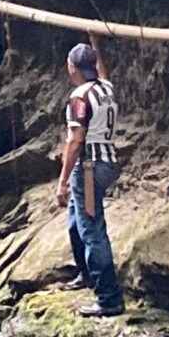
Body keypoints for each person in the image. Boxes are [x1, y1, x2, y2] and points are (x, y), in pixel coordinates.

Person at [55, 33, 125, 317]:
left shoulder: (79, 98)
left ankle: (109, 299)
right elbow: (103, 72)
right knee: (77, 220)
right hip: (106, 164)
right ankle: (85, 274)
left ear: (72, 67)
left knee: (92, 231)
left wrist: (61, 182)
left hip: (89, 169)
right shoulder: (105, 88)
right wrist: (95, 43)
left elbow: (75, 141)